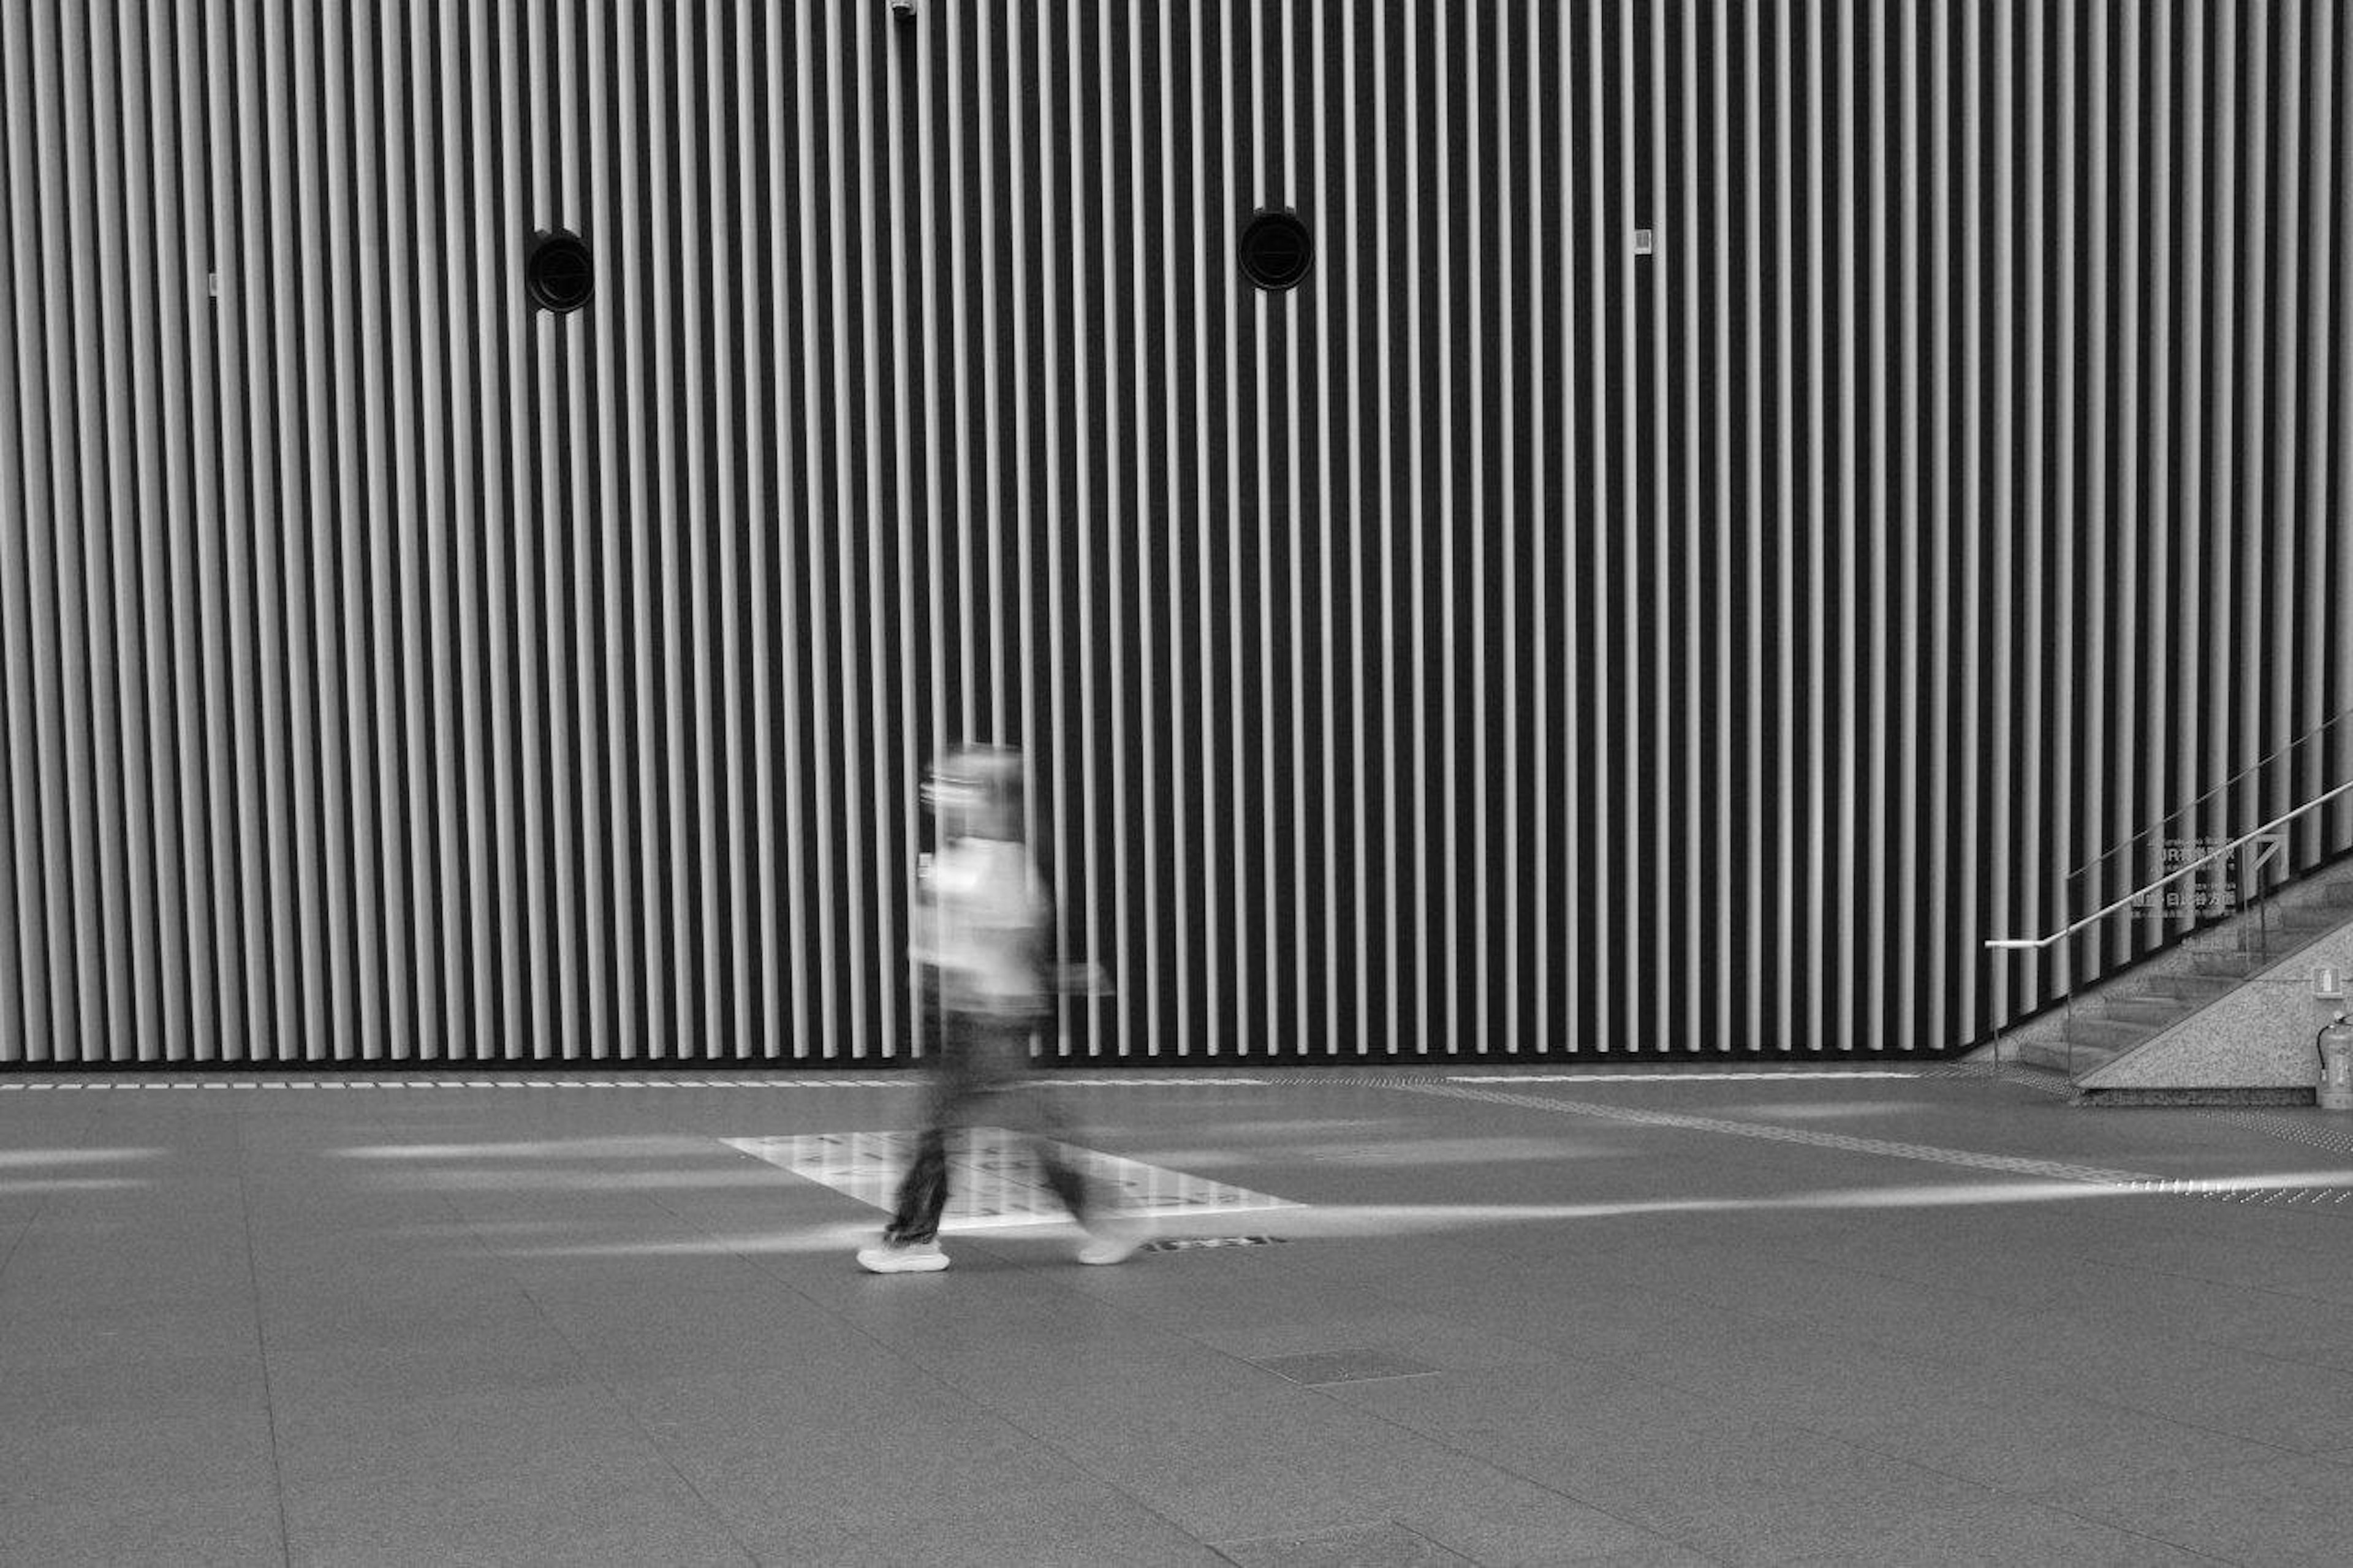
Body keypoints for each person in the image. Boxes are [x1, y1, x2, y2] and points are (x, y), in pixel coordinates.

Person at [856, 744, 1139, 1273]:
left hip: (991, 1022)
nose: (936, 791)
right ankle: (914, 1237)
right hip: (966, 1019)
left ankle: (917, 1237)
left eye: (952, 783)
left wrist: (1026, 985)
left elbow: (1016, 942)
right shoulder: (960, 857)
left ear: (983, 796)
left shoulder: (1001, 862)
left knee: (999, 1130)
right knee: (950, 1128)